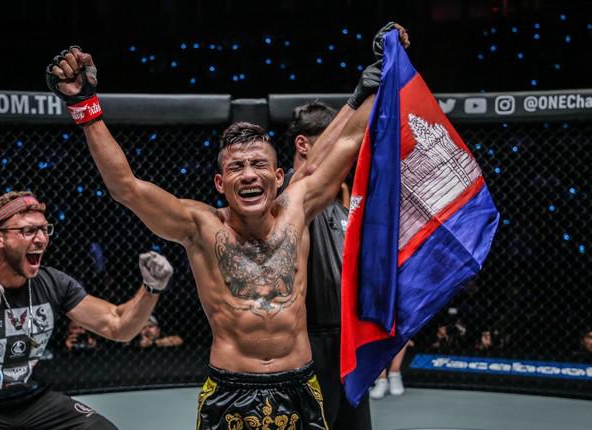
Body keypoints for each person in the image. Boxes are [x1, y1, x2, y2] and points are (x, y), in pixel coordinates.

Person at [46, 22, 409, 429]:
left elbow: (348, 141)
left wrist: (380, 75)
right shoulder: (200, 226)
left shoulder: (298, 208)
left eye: (258, 165)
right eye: (237, 167)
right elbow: (126, 187)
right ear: (220, 183)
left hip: (301, 386)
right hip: (231, 390)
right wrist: (85, 106)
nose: (249, 174)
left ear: (279, 177)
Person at [0, 191, 174, 430]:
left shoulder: (53, 282)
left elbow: (117, 326)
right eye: (28, 231)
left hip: (31, 402)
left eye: (44, 229)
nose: (41, 239)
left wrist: (151, 288)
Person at [280, 100, 371, 428]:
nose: (343, 150)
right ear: (303, 145)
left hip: (347, 342)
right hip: (309, 342)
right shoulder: (290, 198)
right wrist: (363, 96)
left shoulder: (340, 208)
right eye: (335, 140)